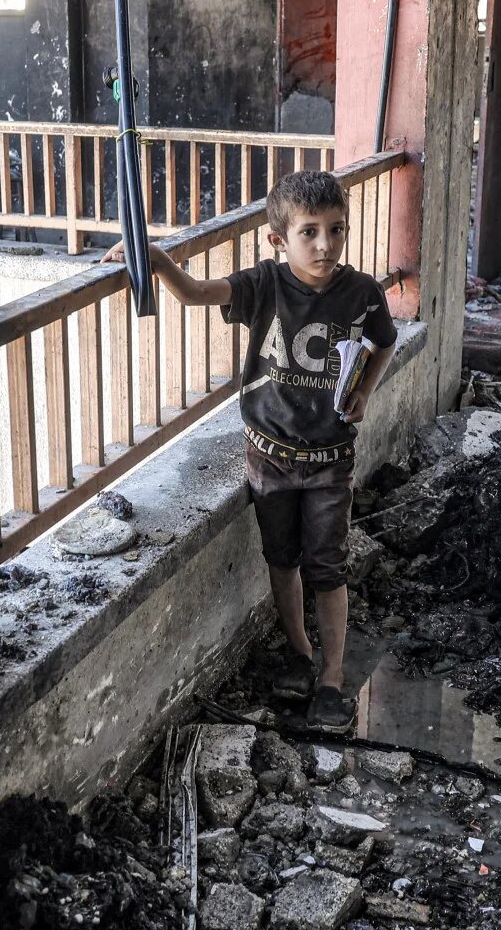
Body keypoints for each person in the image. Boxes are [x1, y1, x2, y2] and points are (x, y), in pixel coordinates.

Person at [105, 170, 397, 730]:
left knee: (328, 570)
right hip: (268, 458)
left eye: (337, 230)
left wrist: (363, 389)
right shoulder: (263, 285)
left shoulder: (361, 293)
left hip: (330, 462)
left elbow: (384, 342)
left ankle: (333, 680)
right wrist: (153, 255)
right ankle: (300, 655)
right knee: (281, 562)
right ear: (278, 240)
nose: (326, 245)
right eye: (309, 232)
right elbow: (194, 293)